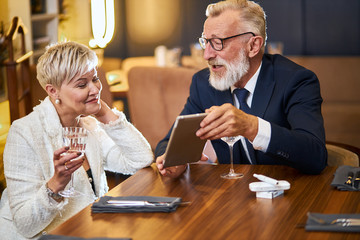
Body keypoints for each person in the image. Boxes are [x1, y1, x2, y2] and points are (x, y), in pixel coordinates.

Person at [155, 0, 327, 178]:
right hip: (231, 197)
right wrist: (174, 161)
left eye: (217, 42)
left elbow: (315, 157)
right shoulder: (203, 83)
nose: (207, 55)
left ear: (253, 46)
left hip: (291, 193)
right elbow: (168, 143)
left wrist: (251, 126)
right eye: (206, 42)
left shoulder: (296, 80)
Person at [0, 41, 154, 239]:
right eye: (82, 84)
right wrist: (55, 185)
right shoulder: (24, 133)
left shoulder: (88, 125)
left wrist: (104, 112)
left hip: (85, 230)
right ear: (53, 91)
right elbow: (25, 225)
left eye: (95, 79)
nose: (94, 89)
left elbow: (140, 159)